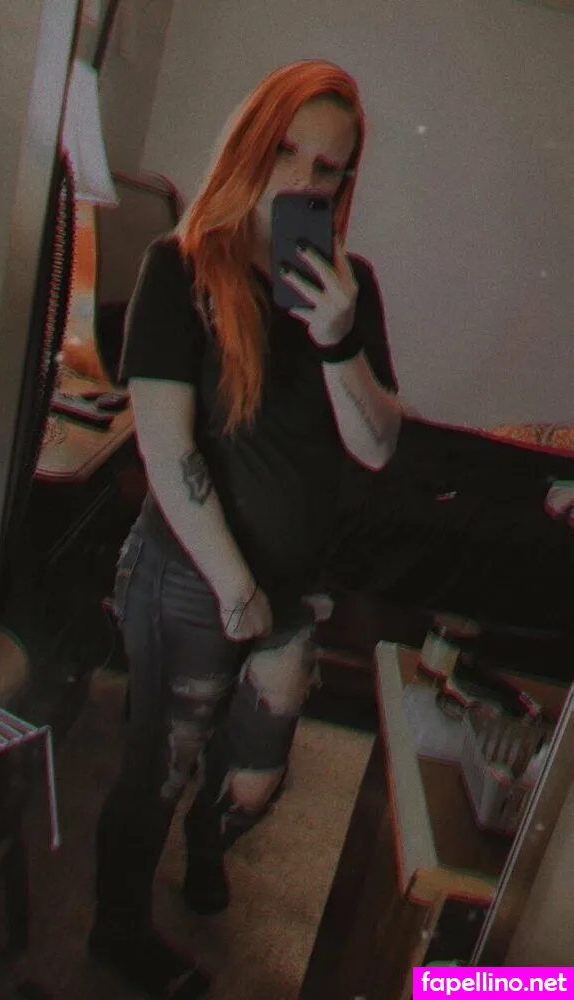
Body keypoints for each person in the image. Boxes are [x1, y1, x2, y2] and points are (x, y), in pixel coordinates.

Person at [88, 59, 574, 997]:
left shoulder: (349, 289)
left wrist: (338, 338)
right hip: (192, 572)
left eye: (326, 168)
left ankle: (208, 840)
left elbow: (377, 446)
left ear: (345, 181)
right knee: (159, 765)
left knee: (258, 775)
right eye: (285, 152)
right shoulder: (179, 267)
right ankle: (116, 928)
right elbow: (164, 443)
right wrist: (233, 586)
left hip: (289, 579)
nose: (301, 181)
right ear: (250, 145)